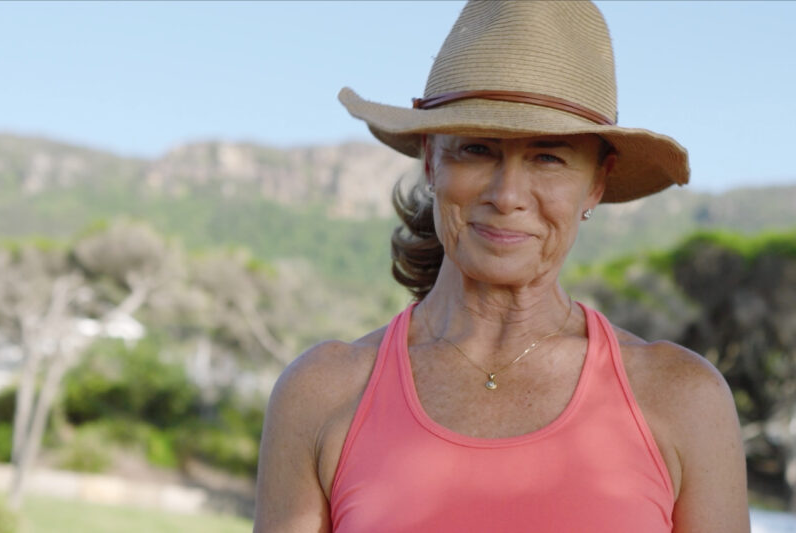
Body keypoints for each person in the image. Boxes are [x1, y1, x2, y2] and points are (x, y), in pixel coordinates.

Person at [254, 2, 749, 532]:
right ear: (430, 160)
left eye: (548, 157)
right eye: (476, 149)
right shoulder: (321, 393)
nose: (507, 194)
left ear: (597, 183)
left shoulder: (683, 398)